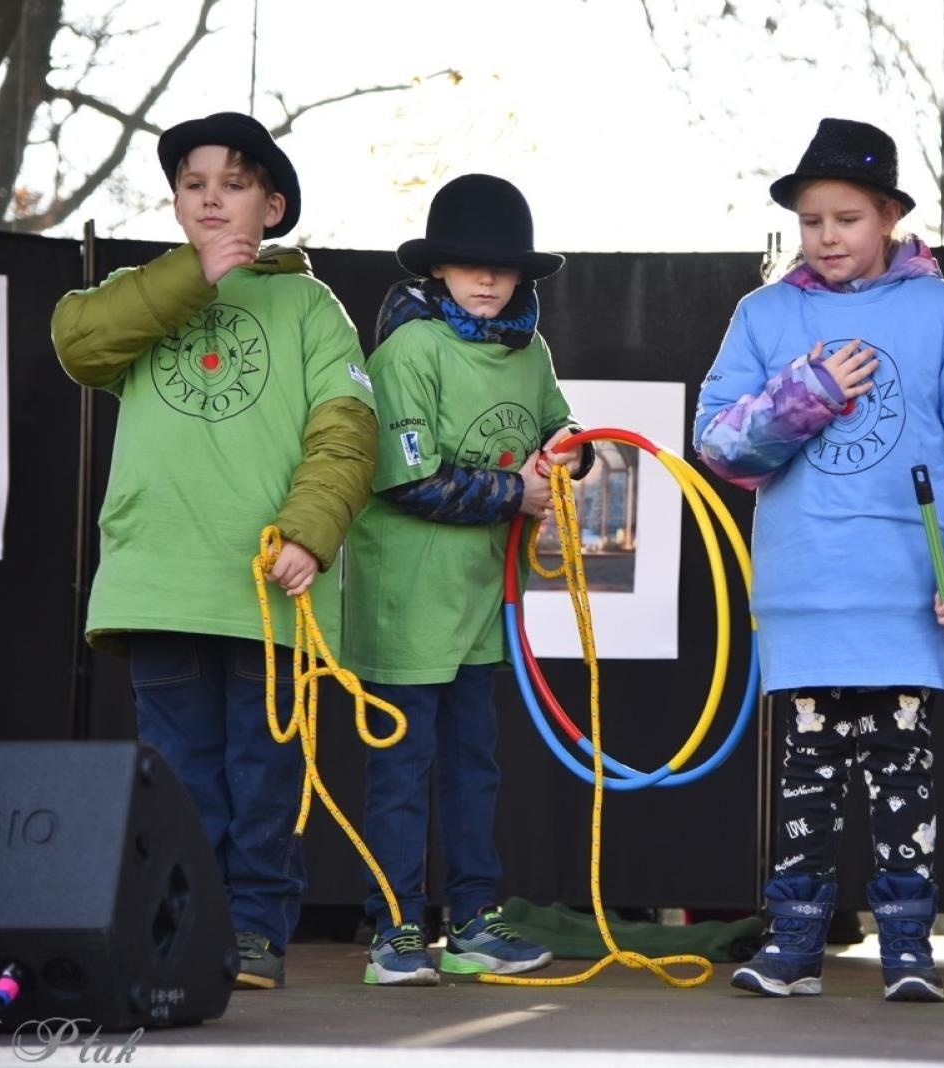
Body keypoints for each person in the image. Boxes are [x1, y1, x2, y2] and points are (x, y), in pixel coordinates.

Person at [694, 118, 944, 1003]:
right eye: (811, 221)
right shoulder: (763, 315)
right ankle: (795, 946)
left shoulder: (942, 309)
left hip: (906, 596)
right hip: (806, 592)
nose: (828, 237)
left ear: (888, 217)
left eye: (847, 217)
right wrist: (807, 394)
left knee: (903, 778)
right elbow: (721, 448)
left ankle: (907, 949)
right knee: (805, 778)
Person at [50, 111, 379, 989]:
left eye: (232, 184)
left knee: (265, 777)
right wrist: (189, 278)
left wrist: (312, 533)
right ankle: (180, 935)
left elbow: (346, 432)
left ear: (271, 206)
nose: (210, 198)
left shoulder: (310, 305)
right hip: (159, 584)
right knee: (180, 781)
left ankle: (253, 934)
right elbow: (76, 343)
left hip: (267, 589)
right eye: (193, 184)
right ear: (174, 202)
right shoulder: (140, 292)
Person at [345, 173, 593, 986]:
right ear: (437, 271)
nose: (486, 279)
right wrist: (513, 492)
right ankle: (394, 930)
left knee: (473, 766)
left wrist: (573, 453)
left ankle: (475, 925)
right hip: (406, 604)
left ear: (522, 274)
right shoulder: (409, 351)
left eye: (501, 265)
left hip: (481, 603)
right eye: (466, 263)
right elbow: (404, 479)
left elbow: (558, 424)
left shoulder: (531, 352)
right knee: (401, 770)